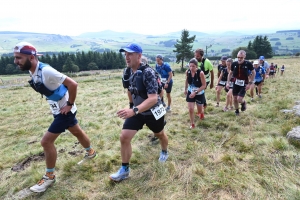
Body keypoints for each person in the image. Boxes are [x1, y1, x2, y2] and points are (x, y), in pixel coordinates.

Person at [13, 42, 97, 193]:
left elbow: (73, 84)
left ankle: (49, 176)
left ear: (31, 57)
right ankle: (91, 152)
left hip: (65, 111)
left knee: (46, 142)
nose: (16, 61)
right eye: (15, 58)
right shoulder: (32, 69)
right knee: (77, 131)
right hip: (58, 109)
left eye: (19, 58)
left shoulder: (46, 71)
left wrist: (69, 104)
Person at [109, 43, 169, 182]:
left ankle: (164, 151)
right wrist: (132, 106)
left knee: (159, 134)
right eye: (125, 54)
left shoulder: (148, 72)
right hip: (137, 112)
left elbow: (153, 98)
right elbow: (130, 90)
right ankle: (124, 170)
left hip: (153, 112)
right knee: (124, 137)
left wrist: (133, 110)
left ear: (139, 56)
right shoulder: (128, 72)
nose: (127, 57)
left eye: (130, 54)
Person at [226, 50, 255, 116]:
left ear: (244, 57)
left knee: (239, 99)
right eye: (238, 57)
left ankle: (243, 102)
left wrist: (250, 83)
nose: (239, 59)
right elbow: (230, 73)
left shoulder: (248, 64)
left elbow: (253, 73)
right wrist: (228, 83)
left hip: (244, 83)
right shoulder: (234, 64)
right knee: (235, 98)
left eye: (241, 57)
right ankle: (237, 111)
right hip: (235, 83)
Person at [184, 58, 206, 128]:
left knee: (199, 111)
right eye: (190, 66)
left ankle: (201, 112)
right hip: (190, 92)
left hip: (199, 93)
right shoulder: (188, 72)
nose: (191, 68)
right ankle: (192, 124)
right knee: (191, 109)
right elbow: (187, 80)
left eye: (193, 66)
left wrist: (196, 92)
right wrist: (186, 89)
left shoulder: (201, 73)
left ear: (197, 66)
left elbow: (204, 86)